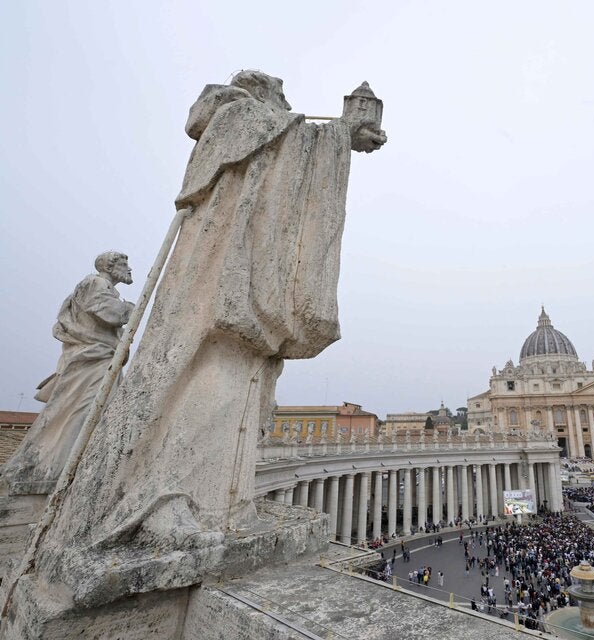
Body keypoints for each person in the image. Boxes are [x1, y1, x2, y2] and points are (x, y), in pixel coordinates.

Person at [25, 72, 387, 607]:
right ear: (263, 92)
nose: (288, 107)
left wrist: (336, 135)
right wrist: (329, 132)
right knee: (206, 379)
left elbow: (283, 143)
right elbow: (229, 129)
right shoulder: (235, 109)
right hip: (221, 273)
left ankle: (221, 502)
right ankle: (162, 499)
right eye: (281, 98)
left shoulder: (269, 127)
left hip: (245, 278)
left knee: (245, 379)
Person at [2, 252, 134, 495]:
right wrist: (131, 309)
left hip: (101, 359)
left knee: (94, 411)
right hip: (91, 361)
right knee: (80, 411)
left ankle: (74, 467)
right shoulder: (94, 283)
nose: (129, 269)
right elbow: (108, 312)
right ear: (109, 266)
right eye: (124, 264)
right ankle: (52, 469)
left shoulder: (104, 287)